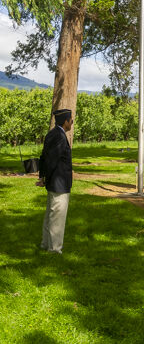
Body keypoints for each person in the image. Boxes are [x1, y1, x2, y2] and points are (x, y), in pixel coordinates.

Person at [37, 109, 74, 254]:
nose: (72, 122)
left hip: (53, 181)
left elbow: (44, 157)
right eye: (71, 119)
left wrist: (43, 177)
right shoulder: (59, 136)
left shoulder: (52, 133)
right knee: (57, 216)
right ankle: (54, 249)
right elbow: (52, 160)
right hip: (59, 184)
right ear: (65, 121)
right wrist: (45, 178)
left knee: (50, 215)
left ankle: (46, 243)